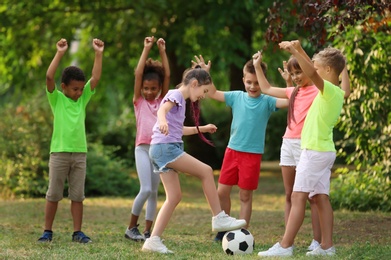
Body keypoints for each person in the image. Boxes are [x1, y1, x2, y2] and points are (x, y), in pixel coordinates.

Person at [141, 66, 247, 254]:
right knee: (206, 171)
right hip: (165, 149)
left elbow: (178, 130)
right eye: (204, 91)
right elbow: (161, 110)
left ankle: (153, 240)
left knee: (174, 197)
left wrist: (202, 128)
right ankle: (219, 217)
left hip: (161, 148)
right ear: (194, 84)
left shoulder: (181, 100)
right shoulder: (176, 94)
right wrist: (162, 120)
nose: (204, 95)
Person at [258, 40, 347, 257]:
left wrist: (296, 50)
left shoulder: (327, 90)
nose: (312, 71)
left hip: (314, 151)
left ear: (327, 71)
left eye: (316, 68)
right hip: (323, 150)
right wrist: (343, 67)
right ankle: (327, 247)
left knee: (298, 197)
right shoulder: (337, 92)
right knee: (320, 198)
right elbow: (331, 78)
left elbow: (312, 73)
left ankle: (285, 246)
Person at [192, 55, 289, 241]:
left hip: (252, 156)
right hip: (232, 152)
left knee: (245, 195)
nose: (253, 86)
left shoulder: (268, 101)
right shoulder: (236, 97)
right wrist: (205, 73)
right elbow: (212, 93)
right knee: (222, 192)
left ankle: (241, 233)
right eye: (249, 82)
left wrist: (290, 83)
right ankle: (223, 227)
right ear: (243, 80)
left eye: (257, 83)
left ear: (263, 81)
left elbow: (289, 100)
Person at [38, 38, 104, 243]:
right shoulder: (56, 99)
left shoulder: (83, 98)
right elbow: (49, 76)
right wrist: (59, 52)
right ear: (64, 87)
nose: (79, 92)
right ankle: (47, 231)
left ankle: (77, 232)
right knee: (53, 194)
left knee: (77, 196)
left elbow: (95, 78)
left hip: (79, 153)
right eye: (75, 89)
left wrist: (98, 54)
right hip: (59, 153)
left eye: (81, 88)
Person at [125, 36, 170, 242]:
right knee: (145, 189)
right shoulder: (138, 101)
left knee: (154, 193)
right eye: (146, 88)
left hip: (158, 151)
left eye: (153, 88)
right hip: (142, 149)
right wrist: (146, 48)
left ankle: (148, 231)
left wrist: (162, 51)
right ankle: (131, 227)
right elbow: (138, 74)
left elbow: (167, 74)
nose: (149, 92)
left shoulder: (163, 102)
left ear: (159, 88)